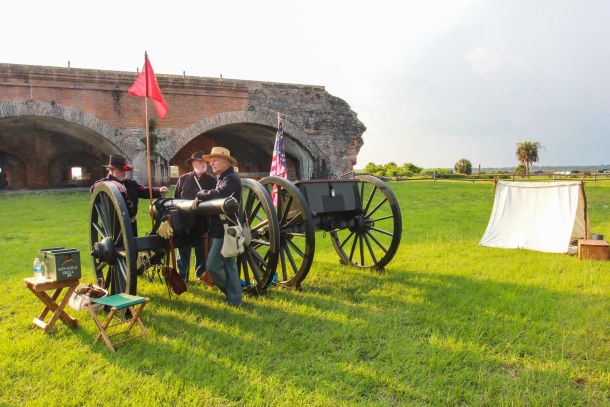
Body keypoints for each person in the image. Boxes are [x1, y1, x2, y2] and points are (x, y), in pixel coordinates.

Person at [193, 147, 242, 307]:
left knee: (212, 266)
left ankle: (232, 295)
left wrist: (200, 195)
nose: (211, 163)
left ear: (226, 161)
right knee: (229, 265)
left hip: (225, 229)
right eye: (211, 160)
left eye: (215, 160)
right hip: (222, 228)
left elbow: (218, 194)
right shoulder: (223, 177)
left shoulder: (231, 179)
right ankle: (235, 299)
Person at [90, 154, 168, 236]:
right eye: (121, 170)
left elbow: (143, 191)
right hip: (114, 227)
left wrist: (158, 190)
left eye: (124, 170)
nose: (124, 172)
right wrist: (111, 183)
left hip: (131, 224)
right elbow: (93, 188)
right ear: (111, 170)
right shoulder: (105, 182)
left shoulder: (130, 183)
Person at [173, 151, 216, 283]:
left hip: (203, 222)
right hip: (185, 222)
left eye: (204, 161)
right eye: (199, 161)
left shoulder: (212, 181)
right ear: (193, 164)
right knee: (183, 250)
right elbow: (176, 200)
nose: (203, 164)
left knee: (202, 251)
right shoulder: (183, 179)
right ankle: (183, 276)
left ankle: (200, 276)